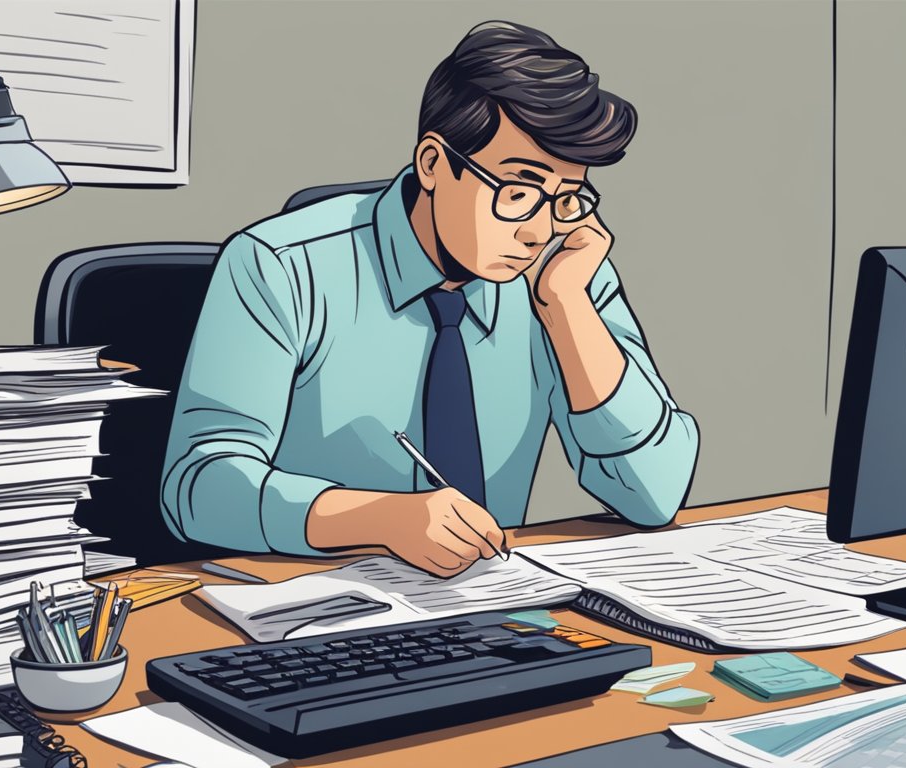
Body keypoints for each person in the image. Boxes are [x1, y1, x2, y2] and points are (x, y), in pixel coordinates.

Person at [161, 20, 699, 577]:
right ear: (434, 164)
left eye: (566, 198)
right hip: (309, 608)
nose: (538, 230)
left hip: (489, 604)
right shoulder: (281, 265)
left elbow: (654, 496)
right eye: (518, 192)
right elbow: (200, 484)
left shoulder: (565, 270)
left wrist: (566, 308)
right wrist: (376, 518)